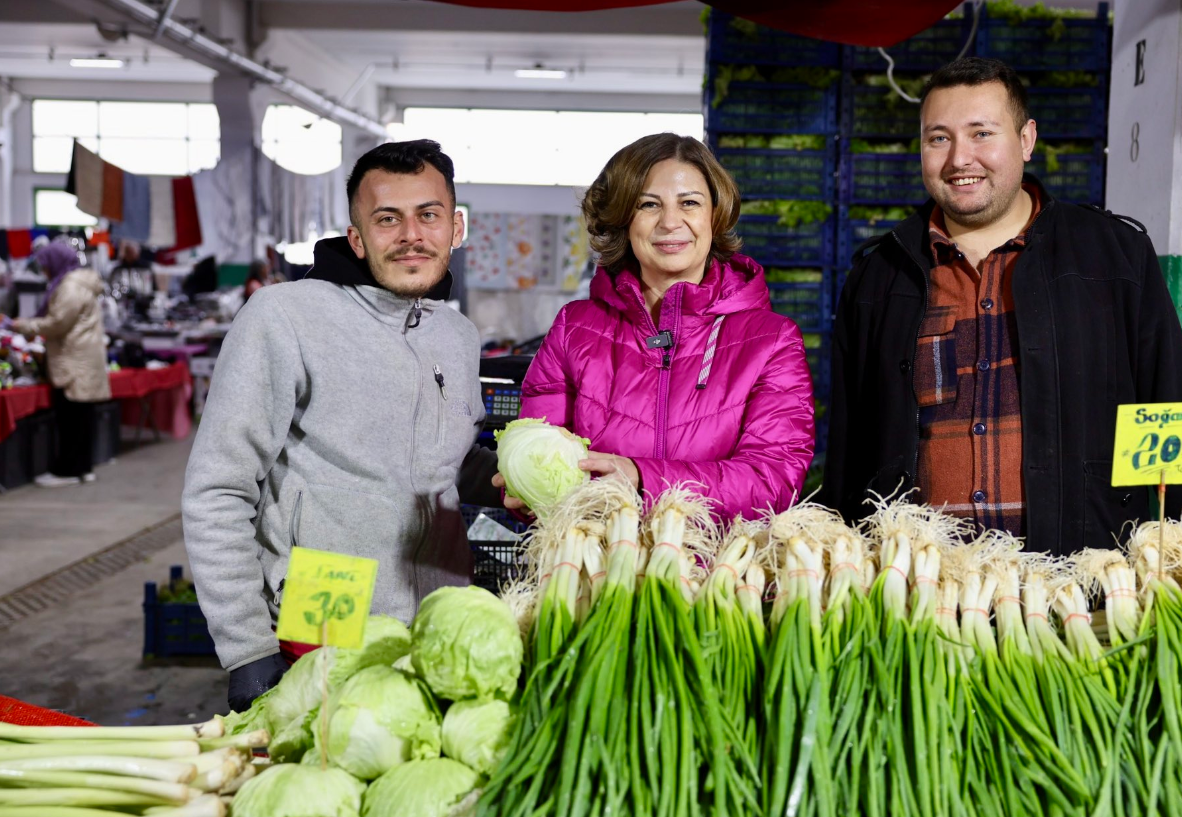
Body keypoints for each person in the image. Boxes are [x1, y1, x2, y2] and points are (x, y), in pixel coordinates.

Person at [820, 57, 1182, 553]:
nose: (959, 159)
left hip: (1079, 582)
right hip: (919, 592)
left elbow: (1167, 408)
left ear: (1027, 139)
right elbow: (848, 447)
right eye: (938, 138)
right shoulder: (879, 276)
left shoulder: (1112, 256)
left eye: (982, 134)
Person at [182, 140, 501, 712]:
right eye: (387, 219)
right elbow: (218, 489)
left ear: (455, 229)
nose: (411, 234)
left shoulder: (456, 336)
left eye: (427, 215)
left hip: (436, 622)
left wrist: (517, 475)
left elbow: (440, 462)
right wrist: (246, 647)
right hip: (324, 617)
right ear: (356, 237)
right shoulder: (285, 317)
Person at [497, 133, 815, 521]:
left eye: (689, 203)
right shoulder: (574, 329)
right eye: (649, 204)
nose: (669, 222)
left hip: (722, 577)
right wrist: (529, 492)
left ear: (714, 216)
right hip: (592, 569)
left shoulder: (772, 340)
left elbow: (772, 481)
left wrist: (641, 478)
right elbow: (545, 456)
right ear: (624, 219)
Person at [10, 241, 110, 487]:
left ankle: (67, 470)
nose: (43, 271)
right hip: (82, 358)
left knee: (71, 419)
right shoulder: (78, 283)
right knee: (81, 419)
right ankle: (83, 468)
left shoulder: (70, 287)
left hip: (73, 360)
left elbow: (57, 324)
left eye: (45, 265)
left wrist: (23, 325)